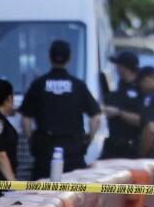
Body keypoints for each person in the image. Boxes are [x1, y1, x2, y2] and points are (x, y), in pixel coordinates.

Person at [20, 40, 101, 180]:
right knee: (73, 195)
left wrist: (32, 140)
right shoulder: (78, 86)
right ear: (70, 58)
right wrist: (88, 140)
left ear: (49, 57)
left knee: (41, 195)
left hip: (45, 153)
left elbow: (25, 119)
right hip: (73, 152)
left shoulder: (38, 85)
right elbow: (96, 117)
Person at [100, 50, 142, 159]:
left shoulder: (141, 89)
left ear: (123, 67)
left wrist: (118, 113)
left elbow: (142, 120)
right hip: (114, 146)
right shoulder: (120, 87)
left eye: (118, 65)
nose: (117, 69)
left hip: (131, 148)